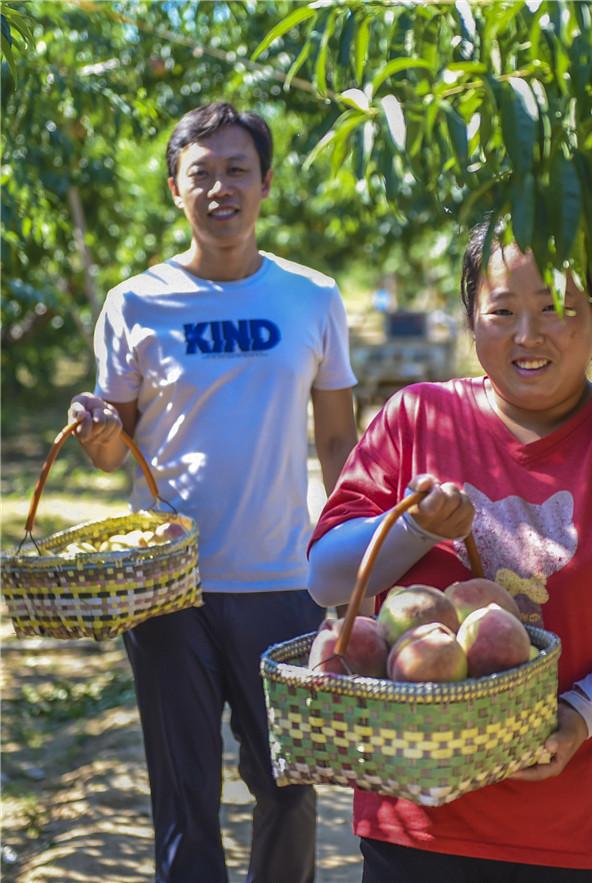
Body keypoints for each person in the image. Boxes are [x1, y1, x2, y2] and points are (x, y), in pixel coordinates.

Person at [306, 222, 592, 883]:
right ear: (472, 318)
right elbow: (326, 577)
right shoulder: (417, 418)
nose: (527, 334)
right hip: (422, 814)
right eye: (502, 311)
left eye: (554, 309)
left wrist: (583, 711)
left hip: (581, 818)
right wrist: (414, 529)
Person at [67, 101, 358, 883]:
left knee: (291, 786)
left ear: (265, 184)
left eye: (237, 170)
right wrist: (96, 432)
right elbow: (110, 445)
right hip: (166, 589)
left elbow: (338, 442)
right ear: (175, 189)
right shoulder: (135, 302)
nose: (220, 187)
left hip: (281, 582)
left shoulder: (312, 296)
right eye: (202, 173)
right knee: (185, 796)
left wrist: (357, 568)